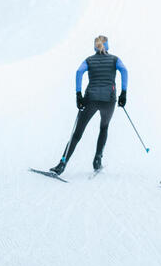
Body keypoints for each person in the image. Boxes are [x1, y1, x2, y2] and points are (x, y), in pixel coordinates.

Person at [50, 35, 128, 174]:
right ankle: (97, 160)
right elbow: (124, 71)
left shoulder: (89, 60)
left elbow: (79, 72)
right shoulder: (115, 59)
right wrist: (123, 93)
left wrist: (78, 95)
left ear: (95, 46)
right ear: (107, 45)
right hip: (108, 101)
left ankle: (62, 164)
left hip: (90, 99)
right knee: (104, 128)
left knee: (77, 134)